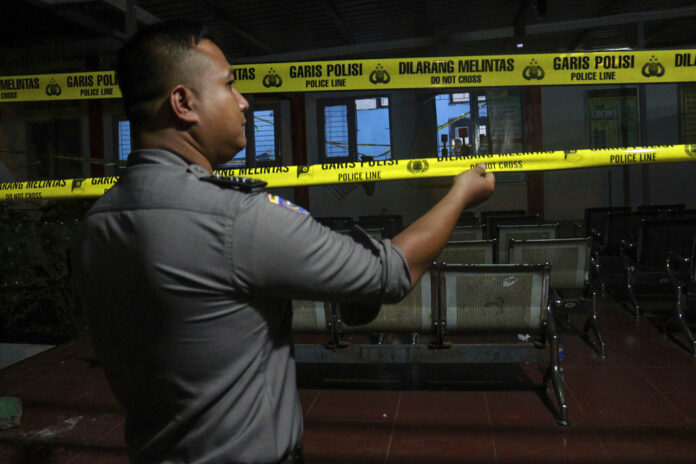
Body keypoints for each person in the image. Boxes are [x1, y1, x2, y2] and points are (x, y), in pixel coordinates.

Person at [72, 21, 495, 464]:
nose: (243, 101)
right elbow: (389, 273)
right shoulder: (236, 220)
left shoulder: (96, 225)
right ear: (183, 103)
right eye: (229, 84)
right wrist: (461, 193)